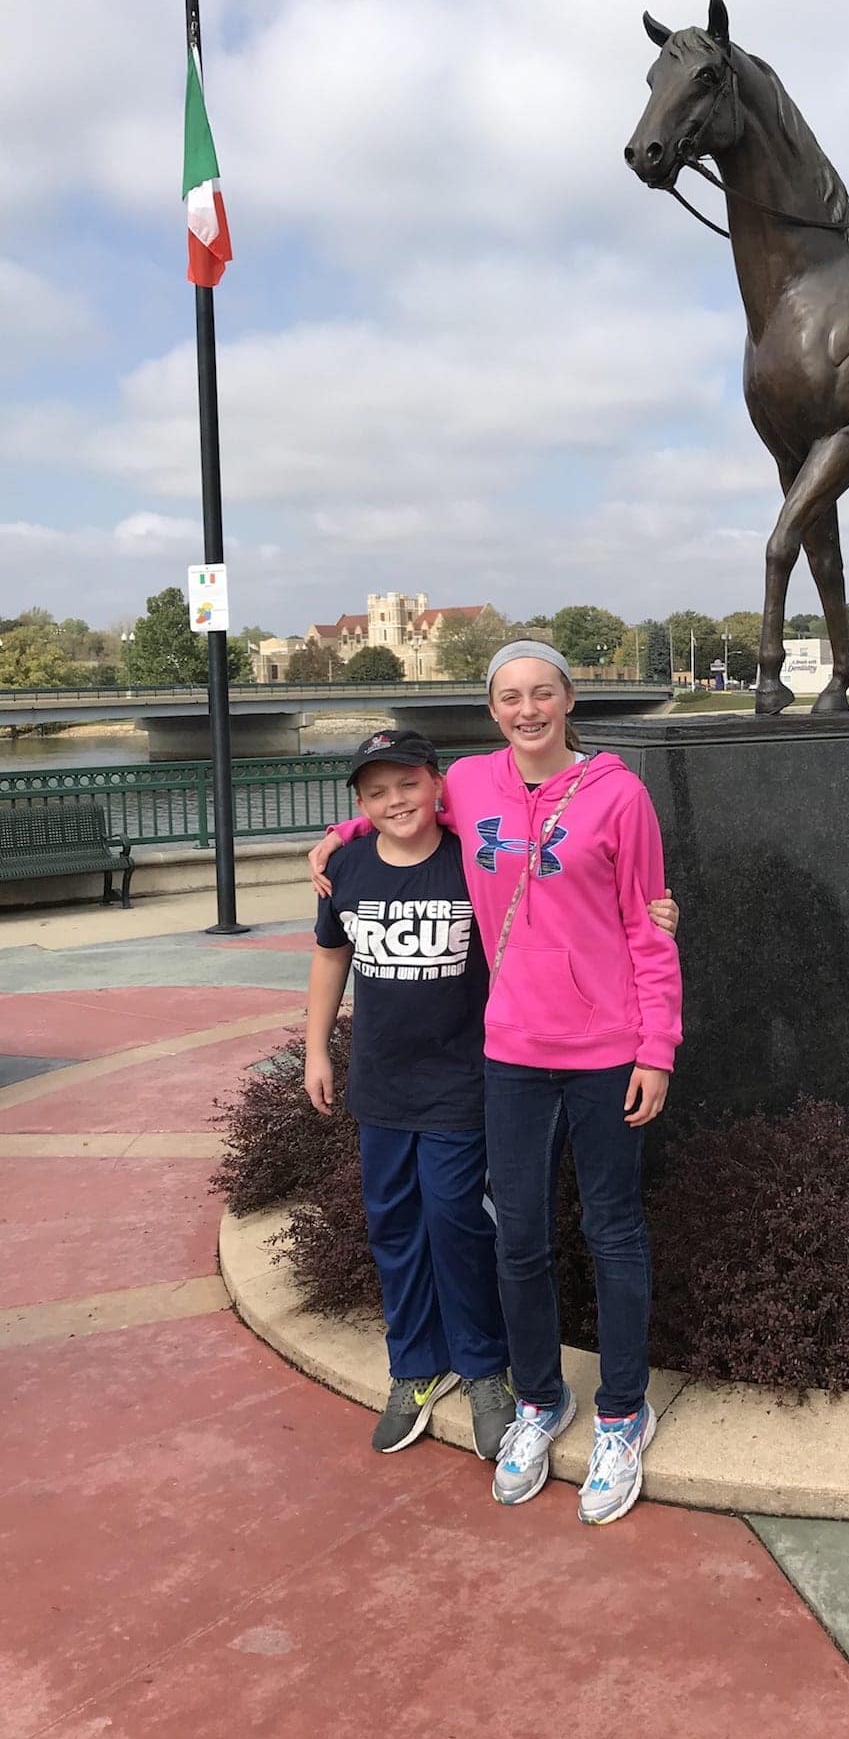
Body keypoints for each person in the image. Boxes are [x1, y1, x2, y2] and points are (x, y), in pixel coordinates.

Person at [309, 645, 681, 1527]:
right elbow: (398, 814)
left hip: (605, 1048)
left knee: (612, 1229)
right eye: (509, 697)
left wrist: (656, 1046)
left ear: (568, 699)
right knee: (517, 1235)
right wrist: (338, 837)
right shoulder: (470, 782)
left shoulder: (619, 794)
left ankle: (624, 1411)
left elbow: (649, 921)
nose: (527, 709)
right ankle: (539, 1400)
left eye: (541, 693)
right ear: (492, 711)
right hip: (509, 1051)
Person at [305, 728, 514, 1459]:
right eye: (376, 792)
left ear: (437, 785)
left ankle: (486, 1367)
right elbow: (332, 957)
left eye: (408, 784)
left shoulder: (473, 862)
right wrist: (315, 1051)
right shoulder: (349, 868)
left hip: (463, 1081)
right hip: (381, 1086)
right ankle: (417, 1368)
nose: (396, 801)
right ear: (361, 804)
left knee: (457, 1220)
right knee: (394, 1226)